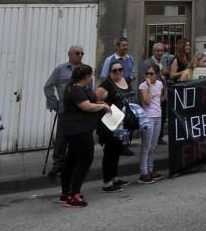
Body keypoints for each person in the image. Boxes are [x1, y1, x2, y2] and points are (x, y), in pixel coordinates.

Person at [60, 64, 111, 207]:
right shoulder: (76, 89)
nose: (91, 78)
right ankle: (74, 195)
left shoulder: (75, 88)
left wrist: (97, 103)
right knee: (85, 161)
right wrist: (103, 106)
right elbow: (87, 107)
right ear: (86, 76)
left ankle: (65, 193)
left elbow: (88, 103)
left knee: (71, 161)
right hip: (80, 131)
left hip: (76, 130)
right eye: (91, 75)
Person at [42, 46, 85, 179]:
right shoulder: (60, 70)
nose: (80, 55)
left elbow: (89, 88)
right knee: (62, 138)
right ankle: (58, 163)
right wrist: (54, 103)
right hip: (65, 109)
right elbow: (48, 86)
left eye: (82, 53)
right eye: (77, 53)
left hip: (81, 109)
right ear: (70, 54)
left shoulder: (85, 70)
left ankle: (76, 162)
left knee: (79, 137)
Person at [95, 60, 135, 192]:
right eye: (114, 70)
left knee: (117, 151)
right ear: (110, 72)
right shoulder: (106, 84)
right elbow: (96, 101)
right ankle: (107, 182)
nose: (118, 72)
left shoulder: (126, 81)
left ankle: (115, 178)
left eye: (120, 70)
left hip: (123, 125)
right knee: (109, 152)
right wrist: (106, 107)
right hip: (111, 124)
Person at [137, 64, 166, 184]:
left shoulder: (160, 84)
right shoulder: (143, 86)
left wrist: (164, 97)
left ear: (157, 74)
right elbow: (147, 101)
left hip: (158, 116)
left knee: (153, 146)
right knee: (146, 146)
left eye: (151, 74)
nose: (148, 76)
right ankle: (143, 172)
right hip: (148, 118)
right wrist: (149, 86)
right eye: (147, 74)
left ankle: (150, 169)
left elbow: (158, 99)